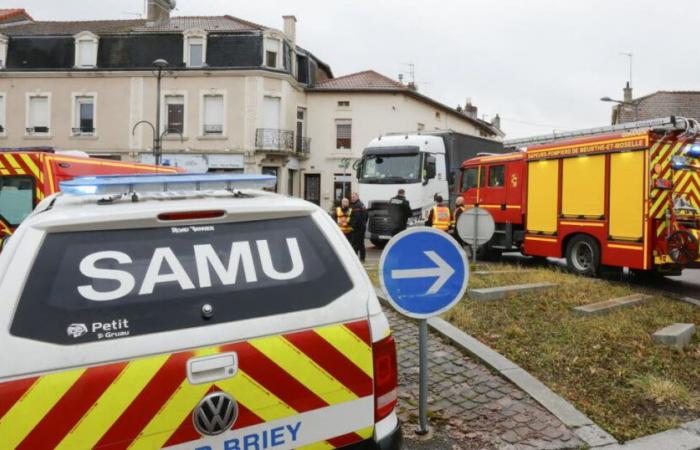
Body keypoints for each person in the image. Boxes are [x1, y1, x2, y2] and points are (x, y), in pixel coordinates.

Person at [349, 192, 367, 262]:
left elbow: (357, 218)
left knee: (355, 244)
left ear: (357, 197)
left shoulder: (357, 205)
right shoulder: (361, 204)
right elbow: (366, 215)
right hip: (361, 227)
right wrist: (364, 223)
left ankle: (355, 259)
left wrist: (352, 226)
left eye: (353, 197)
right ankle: (362, 259)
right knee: (361, 243)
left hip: (357, 228)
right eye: (352, 197)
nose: (352, 198)